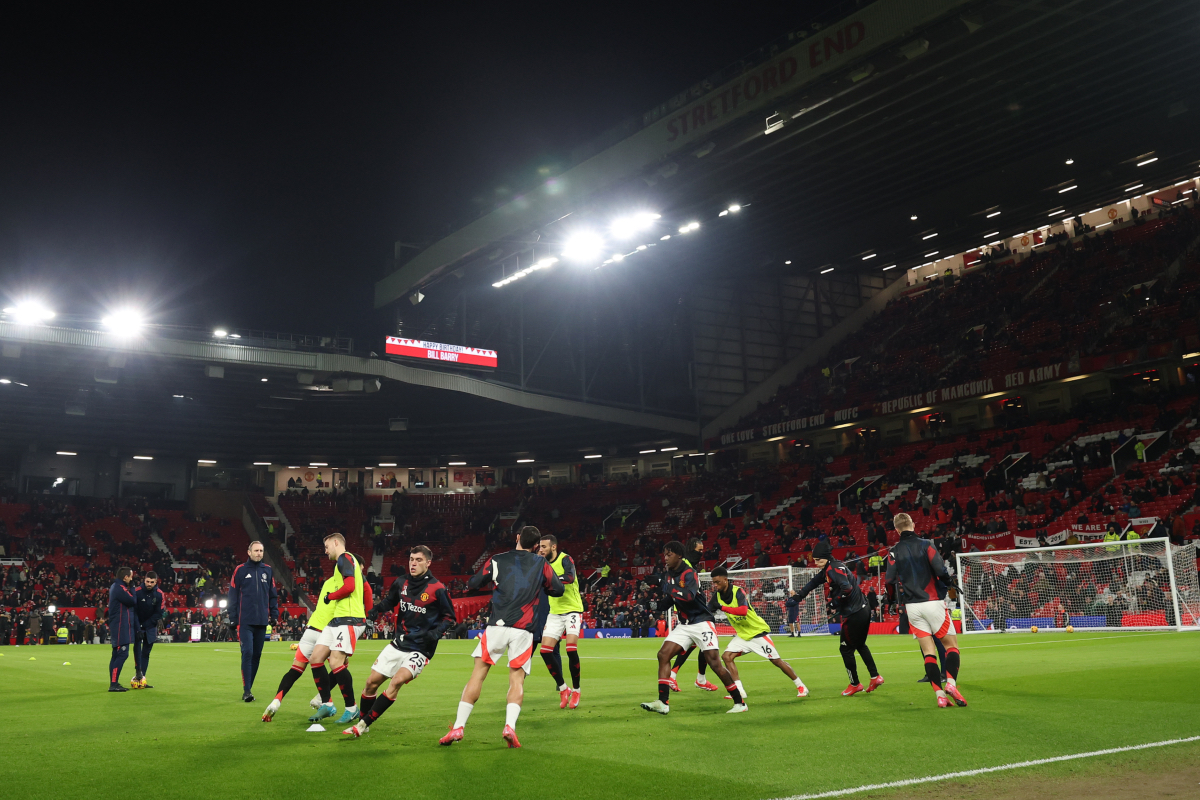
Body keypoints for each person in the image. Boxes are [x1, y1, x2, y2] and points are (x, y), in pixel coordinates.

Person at [440, 526, 563, 748]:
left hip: (497, 626)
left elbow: (473, 584)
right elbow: (558, 589)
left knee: (478, 674)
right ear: (536, 546)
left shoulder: (497, 560)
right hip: (524, 630)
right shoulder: (541, 563)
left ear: (517, 538)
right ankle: (509, 727)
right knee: (516, 679)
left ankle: (458, 727)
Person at [343, 546, 455, 738]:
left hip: (420, 649)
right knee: (370, 683)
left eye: (419, 560)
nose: (413, 563)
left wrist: (435, 634)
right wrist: (376, 610)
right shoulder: (401, 582)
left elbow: (450, 618)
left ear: (428, 563)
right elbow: (390, 601)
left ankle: (362, 725)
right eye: (411, 559)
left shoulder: (438, 589)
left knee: (396, 682)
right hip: (398, 643)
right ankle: (364, 720)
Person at [641, 541, 746, 715]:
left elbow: (688, 596)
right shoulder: (668, 575)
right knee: (663, 654)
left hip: (702, 622)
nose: (665, 558)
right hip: (685, 625)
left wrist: (661, 582)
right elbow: (669, 600)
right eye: (665, 555)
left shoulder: (690, 573)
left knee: (715, 664)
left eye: (669, 555)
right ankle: (662, 702)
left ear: (679, 555)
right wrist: (652, 605)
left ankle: (739, 702)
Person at [262, 568, 372, 722]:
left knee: (296, 669)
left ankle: (276, 702)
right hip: (330, 629)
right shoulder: (350, 583)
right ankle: (332, 702)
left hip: (311, 628)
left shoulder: (328, 582)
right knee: (340, 665)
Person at [885, 513, 967, 708]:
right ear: (913, 524)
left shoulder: (893, 551)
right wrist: (950, 584)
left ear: (896, 530)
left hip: (912, 607)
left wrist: (890, 601)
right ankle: (951, 684)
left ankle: (939, 695)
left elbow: (889, 580)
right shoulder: (926, 544)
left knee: (928, 651)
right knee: (951, 647)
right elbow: (940, 570)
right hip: (933, 602)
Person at [796, 541, 883, 696]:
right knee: (860, 644)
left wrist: (836, 601)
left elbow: (847, 588)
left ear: (826, 557)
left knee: (845, 649)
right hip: (863, 609)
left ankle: (855, 684)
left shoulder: (833, 569)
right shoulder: (832, 566)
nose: (816, 564)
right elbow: (813, 583)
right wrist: (798, 596)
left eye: (818, 560)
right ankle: (875, 676)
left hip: (854, 613)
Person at [709, 566, 807, 700]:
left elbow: (743, 611)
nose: (715, 585)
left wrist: (721, 607)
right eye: (713, 583)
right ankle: (739, 690)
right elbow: (707, 612)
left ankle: (801, 685)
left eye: (717, 582)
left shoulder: (738, 592)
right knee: (727, 657)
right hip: (743, 636)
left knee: (776, 661)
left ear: (725, 580)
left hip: (758, 633)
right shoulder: (716, 597)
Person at [307, 534, 368, 724]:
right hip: (337, 619)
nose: (325, 551)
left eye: (326, 546)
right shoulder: (342, 563)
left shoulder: (345, 558)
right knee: (316, 659)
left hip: (350, 619)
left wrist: (330, 596)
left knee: (335, 662)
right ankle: (327, 704)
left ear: (336, 543)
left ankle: (352, 708)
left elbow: (349, 587)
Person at [227, 541, 279, 702]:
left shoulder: (268, 570)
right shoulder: (240, 570)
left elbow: (273, 594)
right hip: (245, 621)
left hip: (262, 621)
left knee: (257, 655)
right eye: (256, 550)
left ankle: (249, 687)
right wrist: (233, 618)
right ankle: (247, 690)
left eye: (261, 550)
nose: (258, 553)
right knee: (248, 652)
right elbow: (232, 594)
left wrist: (275, 614)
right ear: (249, 552)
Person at [537, 533, 584, 709]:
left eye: (544, 547)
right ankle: (564, 688)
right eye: (539, 547)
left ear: (553, 547)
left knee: (571, 649)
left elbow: (569, 577)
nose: (540, 550)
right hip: (555, 613)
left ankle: (577, 690)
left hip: (572, 610)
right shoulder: (542, 564)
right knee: (545, 651)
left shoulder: (566, 559)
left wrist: (550, 581)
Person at [667, 537, 720, 692]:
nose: (702, 553)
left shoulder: (690, 566)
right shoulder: (686, 565)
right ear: (690, 549)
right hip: (689, 611)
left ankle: (694, 678)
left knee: (698, 642)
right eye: (699, 550)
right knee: (702, 641)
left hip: (692, 610)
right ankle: (687, 677)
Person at [132, 571, 165, 688]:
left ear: (156, 582)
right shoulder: (136, 592)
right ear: (144, 580)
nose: (149, 584)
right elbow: (133, 611)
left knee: (146, 653)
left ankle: (142, 678)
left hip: (150, 627)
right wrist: (138, 627)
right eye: (147, 581)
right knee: (137, 652)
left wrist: (145, 625)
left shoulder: (160, 594)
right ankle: (138, 673)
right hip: (137, 626)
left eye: (152, 582)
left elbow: (159, 613)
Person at [107, 567, 137, 692]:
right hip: (120, 626)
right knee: (122, 654)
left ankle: (114, 682)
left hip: (118, 624)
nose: (131, 579)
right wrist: (133, 589)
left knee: (116, 655)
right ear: (125, 577)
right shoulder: (119, 588)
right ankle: (113, 684)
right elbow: (132, 601)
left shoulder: (116, 587)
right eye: (131, 576)